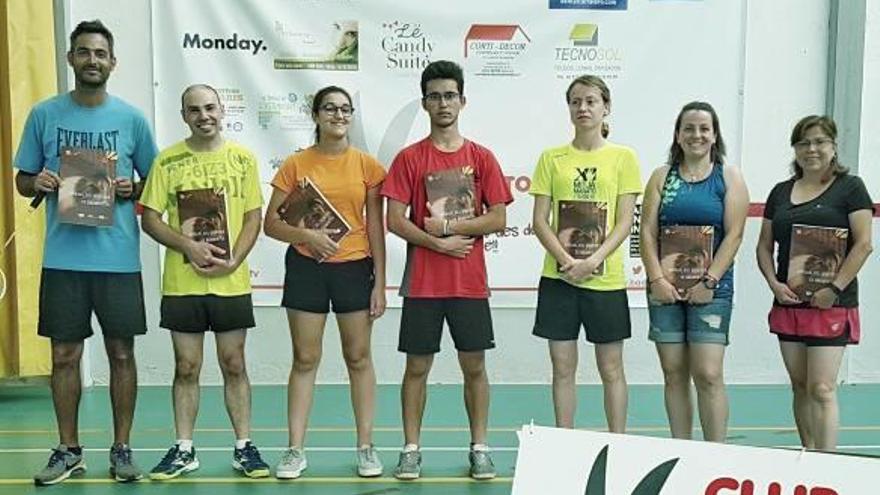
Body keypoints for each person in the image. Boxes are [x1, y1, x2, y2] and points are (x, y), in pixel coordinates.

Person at [12, 20, 157, 485]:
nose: (92, 59)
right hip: (63, 261)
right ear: (71, 59)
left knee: (121, 354)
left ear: (113, 63)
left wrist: (130, 189)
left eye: (100, 53)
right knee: (63, 357)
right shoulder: (44, 114)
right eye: (83, 52)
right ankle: (68, 449)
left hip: (117, 261)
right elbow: (22, 180)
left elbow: (153, 183)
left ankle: (122, 449)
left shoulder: (132, 119)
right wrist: (38, 181)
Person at [381, 60, 513, 480]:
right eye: (435, 96)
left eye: (450, 95)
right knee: (416, 368)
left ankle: (479, 447)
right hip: (422, 285)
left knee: (474, 367)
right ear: (425, 103)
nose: (443, 103)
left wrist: (451, 226)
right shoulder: (409, 158)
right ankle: (411, 449)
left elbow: (498, 219)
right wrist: (436, 242)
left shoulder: (482, 157)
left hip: (469, 284)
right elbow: (395, 221)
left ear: (463, 100)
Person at [139, 84, 270, 479]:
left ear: (222, 109)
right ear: (184, 116)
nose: (203, 115)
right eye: (194, 110)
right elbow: (149, 218)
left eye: (210, 107)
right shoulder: (167, 162)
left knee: (234, 363)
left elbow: (252, 219)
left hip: (230, 283)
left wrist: (234, 260)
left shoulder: (243, 159)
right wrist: (188, 246)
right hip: (183, 283)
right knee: (186, 366)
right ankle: (183, 449)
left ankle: (244, 447)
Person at [263, 85, 387, 479]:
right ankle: (294, 449)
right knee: (305, 359)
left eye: (345, 109)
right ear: (316, 115)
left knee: (358, 358)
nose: (338, 114)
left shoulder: (367, 166)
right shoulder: (295, 165)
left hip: (354, 268)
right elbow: (271, 224)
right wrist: (308, 237)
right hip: (306, 269)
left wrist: (380, 282)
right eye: (330, 108)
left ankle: (366, 447)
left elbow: (376, 229)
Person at [530, 75, 641, 433]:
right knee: (562, 368)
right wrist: (567, 261)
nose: (583, 108)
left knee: (611, 369)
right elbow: (539, 220)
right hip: (559, 279)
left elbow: (625, 222)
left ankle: (618, 441)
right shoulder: (551, 158)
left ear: (606, 107)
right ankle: (565, 441)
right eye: (576, 101)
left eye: (591, 101)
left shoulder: (624, 158)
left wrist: (593, 261)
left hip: (605, 281)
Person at [756, 115, 873, 451]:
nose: (812, 149)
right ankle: (809, 459)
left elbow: (863, 244)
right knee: (800, 386)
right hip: (789, 303)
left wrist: (833, 289)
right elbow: (764, 246)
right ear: (795, 148)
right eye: (804, 142)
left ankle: (828, 464)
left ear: (833, 146)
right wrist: (774, 285)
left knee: (822, 388)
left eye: (820, 141)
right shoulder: (780, 192)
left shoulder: (851, 188)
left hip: (830, 305)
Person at [640, 101, 749, 442]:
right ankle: (683, 450)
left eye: (704, 128)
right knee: (674, 373)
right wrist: (657, 279)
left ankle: (715, 454)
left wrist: (709, 281)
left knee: (708, 374)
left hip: (711, 292)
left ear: (715, 135)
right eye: (689, 128)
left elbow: (735, 234)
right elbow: (646, 231)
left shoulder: (729, 176)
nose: (696, 135)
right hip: (665, 291)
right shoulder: (662, 176)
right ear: (678, 134)